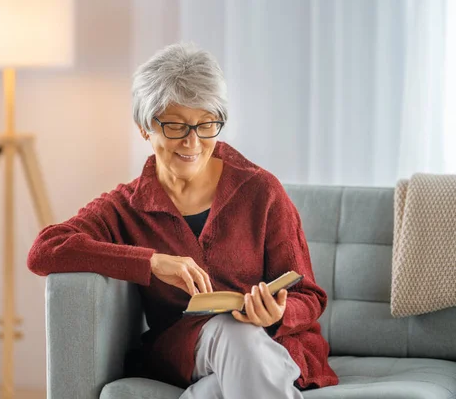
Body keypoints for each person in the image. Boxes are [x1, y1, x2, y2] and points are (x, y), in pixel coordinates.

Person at [27, 42, 339, 398]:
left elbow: (309, 296)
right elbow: (44, 250)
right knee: (234, 336)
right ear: (145, 127)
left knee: (230, 368)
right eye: (175, 126)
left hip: (272, 343)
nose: (192, 141)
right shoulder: (126, 206)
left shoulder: (261, 190)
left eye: (206, 124)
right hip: (186, 352)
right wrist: (152, 262)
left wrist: (277, 313)